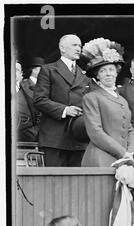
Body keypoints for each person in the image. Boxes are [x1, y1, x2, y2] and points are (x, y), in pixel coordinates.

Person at [33, 34, 92, 166]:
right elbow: (39, 100)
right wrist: (65, 110)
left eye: (80, 46)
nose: (79, 48)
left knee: (76, 185)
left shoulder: (85, 75)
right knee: (54, 184)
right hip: (54, 139)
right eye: (74, 45)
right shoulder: (48, 70)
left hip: (78, 139)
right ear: (62, 48)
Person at [80, 38, 134, 167]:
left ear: (117, 72)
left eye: (110, 69)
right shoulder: (91, 98)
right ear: (97, 76)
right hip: (101, 159)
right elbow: (96, 132)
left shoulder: (122, 100)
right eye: (102, 71)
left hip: (125, 160)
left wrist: (130, 152)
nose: (108, 74)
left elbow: (130, 129)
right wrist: (122, 153)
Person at [17, 57, 45, 142]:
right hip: (30, 132)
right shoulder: (24, 85)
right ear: (34, 70)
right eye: (42, 69)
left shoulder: (46, 86)